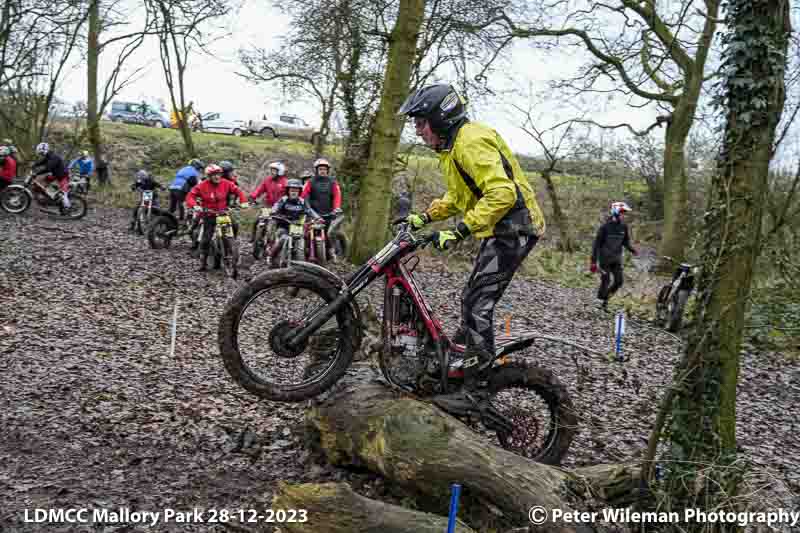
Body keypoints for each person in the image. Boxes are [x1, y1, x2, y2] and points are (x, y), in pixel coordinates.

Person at [396, 83, 546, 411]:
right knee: (471, 296)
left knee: (479, 302)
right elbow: (460, 196)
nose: (418, 132)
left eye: (421, 123)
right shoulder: (454, 148)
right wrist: (425, 217)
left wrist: (459, 231)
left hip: (516, 227)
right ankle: (460, 363)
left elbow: (502, 194)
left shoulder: (471, 142)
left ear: (440, 119)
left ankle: (477, 389)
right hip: (502, 227)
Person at [185, 164, 249, 271]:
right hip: (209, 214)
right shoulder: (202, 185)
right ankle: (203, 262)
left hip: (223, 213)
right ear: (209, 176)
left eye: (218, 174)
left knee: (235, 225)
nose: (217, 177)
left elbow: (238, 191)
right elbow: (190, 196)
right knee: (206, 239)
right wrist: (195, 206)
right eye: (213, 175)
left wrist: (243, 202)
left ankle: (230, 245)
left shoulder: (226, 183)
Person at [590, 202, 638, 311]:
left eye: (624, 213)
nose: (623, 215)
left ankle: (604, 299)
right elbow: (596, 244)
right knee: (606, 281)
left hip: (616, 259)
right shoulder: (605, 227)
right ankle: (601, 303)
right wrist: (593, 262)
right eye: (622, 213)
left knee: (619, 281)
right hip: (604, 259)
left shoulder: (623, 227)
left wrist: (633, 250)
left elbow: (625, 242)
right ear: (615, 212)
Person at [268, 178, 322, 261]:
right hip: (284, 225)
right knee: (282, 238)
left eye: (296, 190)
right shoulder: (283, 200)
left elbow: (309, 210)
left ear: (299, 192)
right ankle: (271, 256)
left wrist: (317, 217)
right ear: (288, 191)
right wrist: (273, 211)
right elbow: (276, 206)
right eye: (292, 190)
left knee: (303, 239)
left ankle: (305, 258)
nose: (294, 192)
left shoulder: (302, 202)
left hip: (297, 226)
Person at [249, 161, 288, 241]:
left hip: (280, 208)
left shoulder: (285, 182)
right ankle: (253, 237)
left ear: (280, 171)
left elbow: (288, 195)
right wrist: (253, 197)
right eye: (271, 170)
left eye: (274, 170)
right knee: (256, 220)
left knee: (280, 224)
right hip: (268, 206)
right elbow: (260, 190)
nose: (271, 172)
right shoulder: (267, 180)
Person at [300, 158, 343, 224]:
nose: (322, 171)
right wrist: (306, 209)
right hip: (312, 214)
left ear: (327, 170)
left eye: (324, 169)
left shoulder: (333, 182)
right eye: (320, 169)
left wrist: (336, 208)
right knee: (306, 232)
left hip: (328, 214)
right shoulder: (310, 182)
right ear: (316, 170)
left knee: (330, 233)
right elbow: (303, 196)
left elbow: (337, 196)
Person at [31, 142, 72, 212]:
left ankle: (67, 208)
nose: (41, 155)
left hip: (63, 176)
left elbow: (48, 168)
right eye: (40, 153)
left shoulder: (53, 157)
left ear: (44, 151)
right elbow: (42, 161)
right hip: (56, 175)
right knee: (42, 182)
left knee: (63, 194)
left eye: (41, 153)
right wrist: (34, 165)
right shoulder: (49, 156)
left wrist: (37, 173)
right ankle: (48, 197)